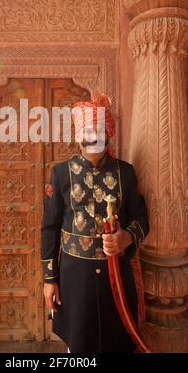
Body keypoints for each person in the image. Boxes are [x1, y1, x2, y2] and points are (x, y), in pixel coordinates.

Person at [40, 92, 149, 353]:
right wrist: (49, 279)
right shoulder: (61, 173)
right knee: (79, 346)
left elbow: (142, 218)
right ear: (78, 136)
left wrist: (127, 237)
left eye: (99, 130)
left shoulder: (126, 172)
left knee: (117, 343)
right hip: (74, 281)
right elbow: (49, 228)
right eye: (88, 130)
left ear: (108, 134)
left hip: (116, 279)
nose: (94, 136)